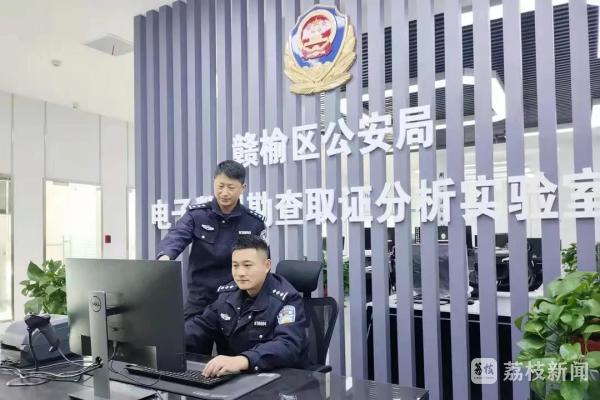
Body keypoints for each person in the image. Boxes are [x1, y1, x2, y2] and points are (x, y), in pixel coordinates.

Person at [157, 160, 266, 325]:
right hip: (200, 298)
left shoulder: (253, 222)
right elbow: (176, 235)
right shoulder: (197, 215)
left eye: (231, 187)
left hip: (236, 297)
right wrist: (165, 257)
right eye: (220, 186)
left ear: (242, 188)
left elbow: (262, 260)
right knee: (189, 338)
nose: (224, 193)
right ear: (214, 182)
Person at [185, 235, 308, 377]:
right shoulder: (227, 295)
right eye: (235, 265)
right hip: (234, 377)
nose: (240, 273)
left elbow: (288, 344)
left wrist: (244, 360)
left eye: (247, 265)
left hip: (279, 378)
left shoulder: (287, 299)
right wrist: (171, 341)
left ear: (267, 266)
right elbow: (201, 326)